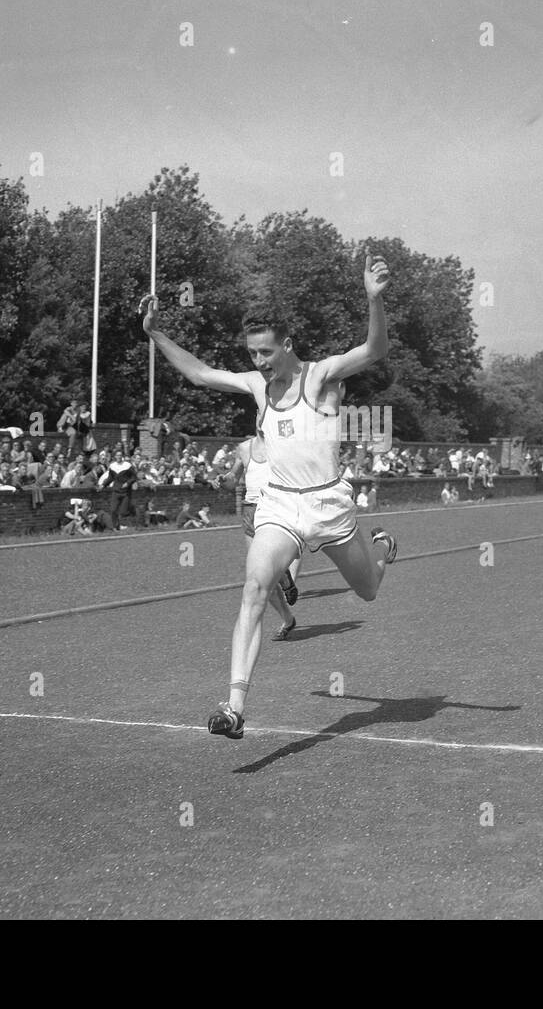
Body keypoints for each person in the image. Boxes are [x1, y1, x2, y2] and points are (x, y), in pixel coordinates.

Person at [142, 251, 397, 740]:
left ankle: (381, 550)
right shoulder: (257, 386)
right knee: (255, 589)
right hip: (280, 505)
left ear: (288, 345)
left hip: (328, 505)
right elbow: (199, 374)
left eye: (265, 353)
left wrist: (373, 300)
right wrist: (155, 333)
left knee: (367, 590)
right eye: (252, 354)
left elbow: (374, 350)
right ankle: (234, 707)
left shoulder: (320, 377)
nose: (258, 363)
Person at [225, 433, 301, 640]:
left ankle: (284, 577)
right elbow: (233, 478)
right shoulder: (243, 448)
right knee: (257, 577)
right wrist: (226, 479)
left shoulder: (284, 445)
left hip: (274, 508)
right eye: (259, 412)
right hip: (250, 511)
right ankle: (288, 618)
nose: (262, 416)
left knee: (266, 572)